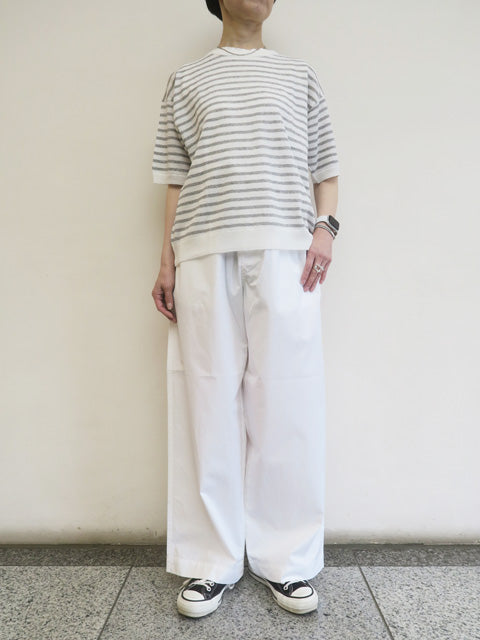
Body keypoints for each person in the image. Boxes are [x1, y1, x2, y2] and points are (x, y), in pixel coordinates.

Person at [151, 0, 340, 619]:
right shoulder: (186, 78)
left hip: (287, 250)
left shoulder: (299, 75)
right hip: (203, 248)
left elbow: (325, 164)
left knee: (288, 400)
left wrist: (326, 229)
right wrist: (166, 259)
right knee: (206, 399)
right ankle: (210, 561)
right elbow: (175, 176)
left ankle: (288, 560)